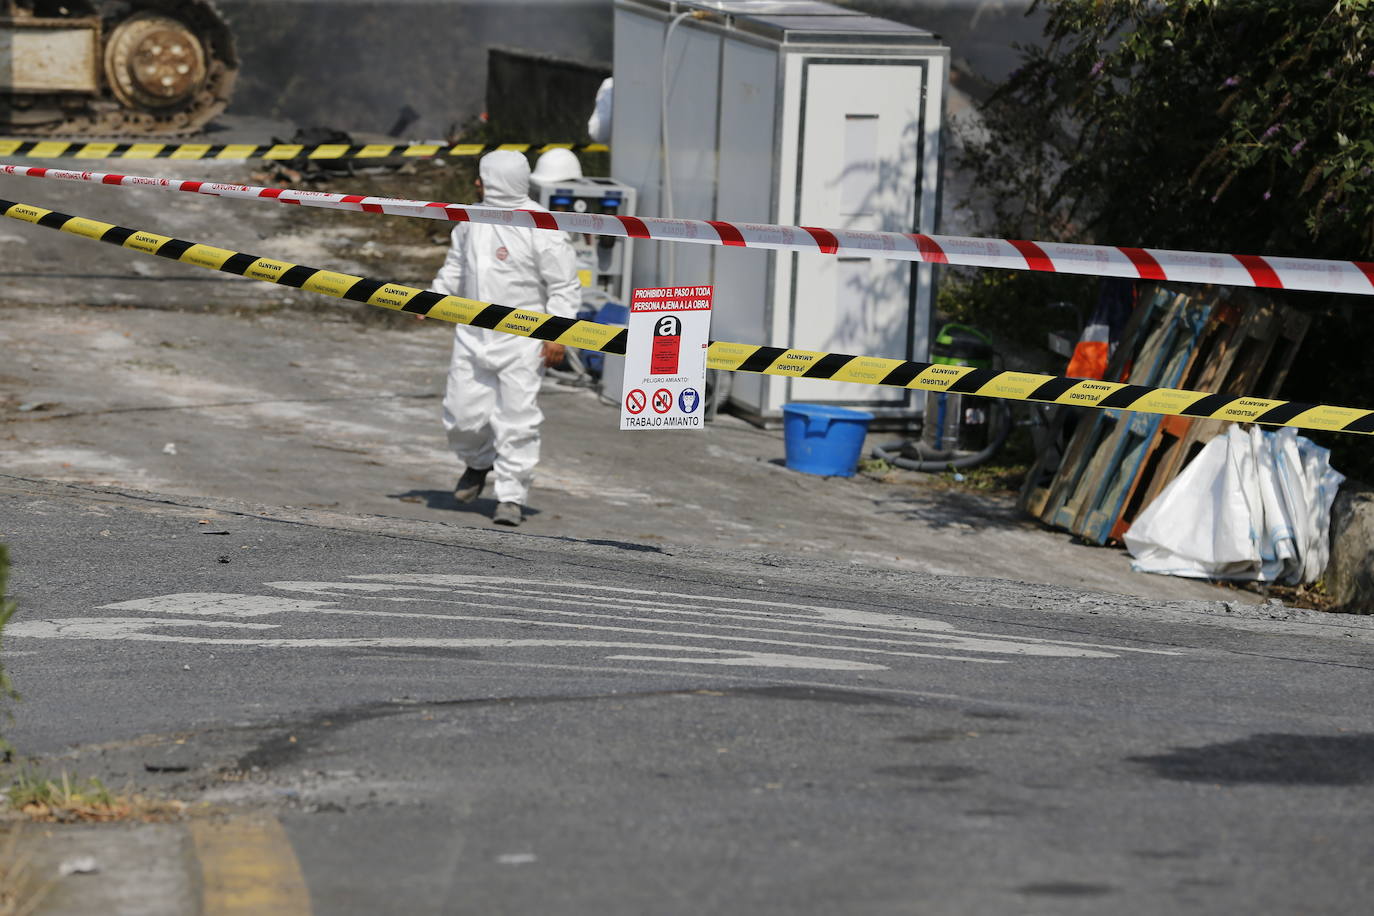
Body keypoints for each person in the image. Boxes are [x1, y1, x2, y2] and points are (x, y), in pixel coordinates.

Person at [429, 150, 580, 526]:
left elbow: (563, 286)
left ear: (498, 180)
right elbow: (455, 266)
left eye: (482, 177)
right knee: (462, 416)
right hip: (472, 334)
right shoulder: (469, 221)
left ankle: (511, 495)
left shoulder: (541, 226)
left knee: (517, 420)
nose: (477, 183)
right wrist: (433, 297)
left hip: (523, 341)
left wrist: (557, 334)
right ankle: (478, 464)